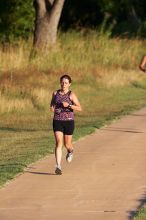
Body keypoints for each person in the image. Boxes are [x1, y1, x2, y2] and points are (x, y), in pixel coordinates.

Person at [50, 74, 82, 175]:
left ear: (69, 84)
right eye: (62, 82)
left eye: (66, 83)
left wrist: (69, 105)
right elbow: (52, 105)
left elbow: (80, 108)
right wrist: (53, 108)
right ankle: (58, 166)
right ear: (60, 83)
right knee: (59, 143)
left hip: (69, 121)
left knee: (67, 144)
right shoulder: (55, 93)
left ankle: (70, 151)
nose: (64, 84)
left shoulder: (71, 95)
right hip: (57, 120)